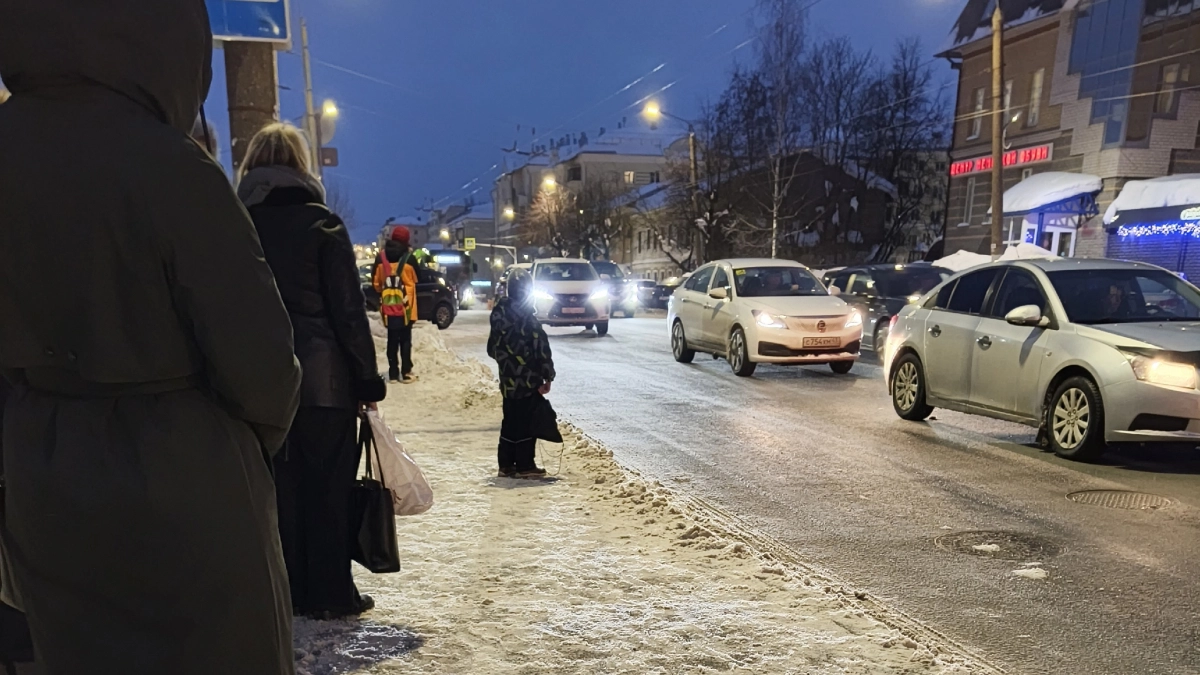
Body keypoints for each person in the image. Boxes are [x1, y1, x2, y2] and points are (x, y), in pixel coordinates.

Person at [0, 3, 303, 674]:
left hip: (42, 483)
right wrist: (241, 448)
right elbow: (263, 363)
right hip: (185, 488)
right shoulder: (169, 167)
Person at [237, 123, 387, 619]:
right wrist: (366, 379)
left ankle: (284, 593)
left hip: (256, 383)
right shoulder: (323, 225)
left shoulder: (236, 224)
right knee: (328, 490)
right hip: (325, 385)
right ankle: (330, 593)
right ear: (301, 166)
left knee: (275, 494)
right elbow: (347, 312)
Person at [487, 269, 555, 478]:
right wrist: (547, 375)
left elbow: (491, 349)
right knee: (526, 423)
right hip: (528, 381)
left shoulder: (498, 316)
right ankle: (525, 465)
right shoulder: (529, 320)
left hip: (507, 382)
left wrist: (506, 363)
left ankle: (506, 465)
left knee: (509, 421)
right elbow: (541, 350)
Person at [374, 226, 419, 383]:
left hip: (388, 307)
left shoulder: (381, 259)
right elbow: (417, 278)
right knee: (405, 339)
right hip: (407, 308)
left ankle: (393, 373)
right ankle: (406, 372)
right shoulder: (410, 259)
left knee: (392, 339)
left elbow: (376, 284)